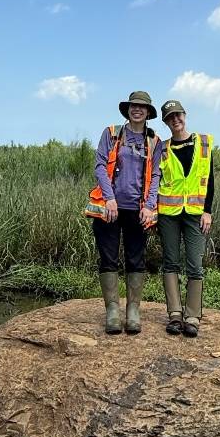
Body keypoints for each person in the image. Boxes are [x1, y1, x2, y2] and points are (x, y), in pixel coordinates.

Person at [86, 91, 162, 335]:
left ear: (148, 112)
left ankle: (133, 311)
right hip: (110, 208)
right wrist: (109, 199)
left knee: (135, 259)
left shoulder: (154, 141)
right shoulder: (111, 133)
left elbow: (156, 175)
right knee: (108, 258)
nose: (137, 110)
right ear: (127, 109)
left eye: (142, 107)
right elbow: (100, 166)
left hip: (138, 210)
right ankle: (112, 311)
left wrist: (150, 206)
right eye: (133, 106)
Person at [157, 99, 214, 338]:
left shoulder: (203, 143)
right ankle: (175, 315)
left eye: (178, 115)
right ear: (166, 122)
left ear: (184, 115)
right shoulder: (162, 148)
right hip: (168, 214)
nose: (175, 120)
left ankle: (192, 316)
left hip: (195, 214)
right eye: (170, 117)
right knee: (170, 262)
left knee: (195, 264)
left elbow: (209, 180)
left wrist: (208, 211)